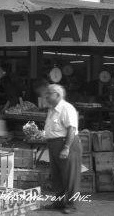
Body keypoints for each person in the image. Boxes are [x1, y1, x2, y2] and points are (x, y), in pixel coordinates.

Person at [43, 84, 82, 214]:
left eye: (49, 93)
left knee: (70, 175)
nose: (46, 96)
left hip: (67, 144)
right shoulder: (51, 109)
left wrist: (66, 148)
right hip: (54, 145)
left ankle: (71, 204)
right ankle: (59, 202)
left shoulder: (66, 108)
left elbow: (72, 128)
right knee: (57, 175)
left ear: (58, 95)